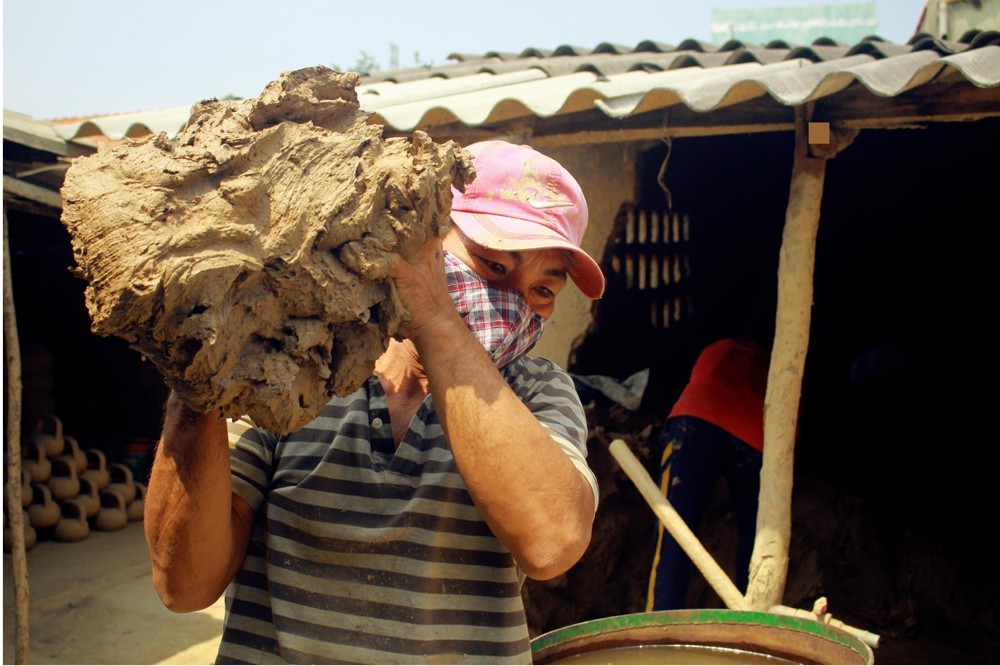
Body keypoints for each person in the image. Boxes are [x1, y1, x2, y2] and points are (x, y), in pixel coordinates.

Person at [144, 140, 606, 664]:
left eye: (543, 291)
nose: (513, 304)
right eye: (493, 265)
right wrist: (199, 375)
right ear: (421, 239)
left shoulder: (538, 390)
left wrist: (436, 320)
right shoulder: (294, 363)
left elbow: (551, 544)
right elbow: (184, 585)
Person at [645, 336, 770, 611]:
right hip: (754, 434)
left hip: (697, 419)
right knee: (757, 539)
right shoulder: (774, 363)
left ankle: (661, 621)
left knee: (674, 530)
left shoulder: (718, 348)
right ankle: (751, 620)